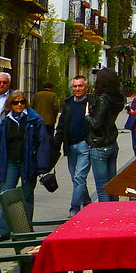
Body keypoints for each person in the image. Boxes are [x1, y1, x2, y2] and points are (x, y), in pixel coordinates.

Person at [0, 91, 53, 241]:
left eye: (22, 102)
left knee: (27, 196)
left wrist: (41, 166)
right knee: (6, 195)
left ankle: (24, 231)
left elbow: (42, 143)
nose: (19, 105)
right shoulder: (6, 121)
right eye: (15, 102)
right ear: (10, 104)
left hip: (28, 163)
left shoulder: (34, 119)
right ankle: (4, 231)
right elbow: (0, 146)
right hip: (10, 163)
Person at [53, 75, 93, 216]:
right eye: (75, 86)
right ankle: (87, 202)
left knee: (79, 178)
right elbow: (62, 125)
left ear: (86, 87)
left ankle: (74, 209)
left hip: (84, 146)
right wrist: (56, 145)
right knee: (76, 178)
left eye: (80, 86)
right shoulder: (68, 103)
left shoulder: (91, 103)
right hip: (70, 146)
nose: (77, 89)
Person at [87, 68, 125, 203]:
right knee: (112, 185)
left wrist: (86, 115)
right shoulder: (116, 99)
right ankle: (115, 214)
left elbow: (96, 123)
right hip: (112, 143)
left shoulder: (103, 99)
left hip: (99, 144)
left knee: (102, 188)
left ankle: (106, 218)